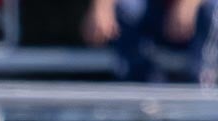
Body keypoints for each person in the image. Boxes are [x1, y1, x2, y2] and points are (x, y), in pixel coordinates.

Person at [82, 0, 218, 86]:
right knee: (127, 8)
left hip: (199, 19)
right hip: (156, 14)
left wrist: (188, 4)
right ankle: (139, 89)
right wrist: (101, 7)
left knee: (212, 8)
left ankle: (203, 87)